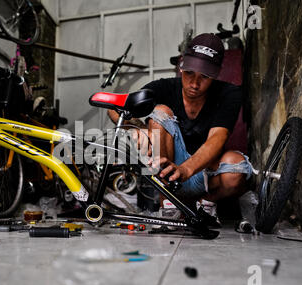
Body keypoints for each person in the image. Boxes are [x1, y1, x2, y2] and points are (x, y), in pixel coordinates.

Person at [107, 33, 254, 227]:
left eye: (204, 77)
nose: (194, 83)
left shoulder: (229, 94)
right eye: (190, 73)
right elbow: (115, 107)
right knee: (159, 112)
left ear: (216, 74)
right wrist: (140, 129)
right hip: (169, 169)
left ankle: (205, 204)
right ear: (182, 66)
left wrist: (186, 169)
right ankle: (168, 204)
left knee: (239, 168)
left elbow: (217, 138)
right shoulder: (164, 87)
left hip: (205, 172)